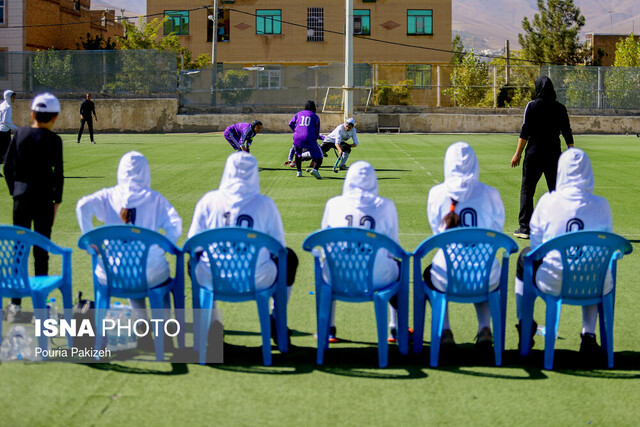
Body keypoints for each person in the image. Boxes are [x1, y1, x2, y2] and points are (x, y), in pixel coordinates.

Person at [188, 152, 298, 341]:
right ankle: (277, 319)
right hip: (257, 278)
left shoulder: (208, 200)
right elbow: (279, 248)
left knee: (192, 262)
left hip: (212, 277)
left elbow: (193, 245)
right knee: (289, 257)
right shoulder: (265, 204)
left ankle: (212, 327)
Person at [514, 148, 612, 360]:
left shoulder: (548, 202)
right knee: (593, 264)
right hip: (594, 283)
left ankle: (524, 324)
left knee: (525, 257)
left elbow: (537, 246)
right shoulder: (602, 205)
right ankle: (589, 335)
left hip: (554, 280)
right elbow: (606, 245)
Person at [76, 151, 183, 336]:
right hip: (150, 273)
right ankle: (165, 324)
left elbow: (82, 206)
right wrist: (164, 247)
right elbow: (175, 225)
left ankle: (141, 321)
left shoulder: (108, 195)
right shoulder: (155, 198)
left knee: (131, 272)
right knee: (157, 278)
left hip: (112, 273)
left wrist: (89, 240)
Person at [426, 142, 505, 351]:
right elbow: (497, 231)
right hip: (485, 275)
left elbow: (437, 232)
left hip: (447, 275)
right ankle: (485, 328)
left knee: (429, 273)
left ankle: (445, 330)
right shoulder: (491, 193)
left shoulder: (436, 193)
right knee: (483, 271)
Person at [320, 161, 401, 342]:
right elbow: (393, 246)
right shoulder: (385, 205)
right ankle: (396, 327)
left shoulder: (334, 204)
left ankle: (328, 328)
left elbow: (325, 241)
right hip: (378, 278)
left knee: (326, 264)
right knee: (399, 269)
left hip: (336, 275)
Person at [3, 93, 64, 322]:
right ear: (55, 117)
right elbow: (58, 175)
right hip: (44, 201)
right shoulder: (54, 140)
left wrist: (15, 191)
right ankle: (42, 306)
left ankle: (15, 304)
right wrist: (56, 202)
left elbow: (8, 168)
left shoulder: (19, 134)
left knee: (19, 251)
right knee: (41, 252)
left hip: (21, 199)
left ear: (31, 114)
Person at [511, 76, 574, 239]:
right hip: (554, 154)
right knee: (556, 190)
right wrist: (572, 152)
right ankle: (560, 226)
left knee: (527, 190)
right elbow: (567, 130)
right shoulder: (560, 108)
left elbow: (525, 132)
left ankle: (525, 228)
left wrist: (517, 154)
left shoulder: (532, 106)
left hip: (534, 154)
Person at [288, 100, 324, 179]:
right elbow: (317, 131)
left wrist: (296, 130)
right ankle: (315, 169)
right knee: (320, 156)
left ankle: (299, 172)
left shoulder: (298, 114)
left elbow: (290, 123)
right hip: (309, 137)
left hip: (297, 137)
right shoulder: (315, 116)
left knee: (298, 154)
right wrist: (315, 138)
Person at [0, 90, 18, 177]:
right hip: (4, 132)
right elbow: (6, 121)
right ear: (9, 97)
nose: (14, 98)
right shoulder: (8, 107)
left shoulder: (2, 105)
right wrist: (17, 129)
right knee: (9, 152)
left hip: (1, 131)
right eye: (13, 97)